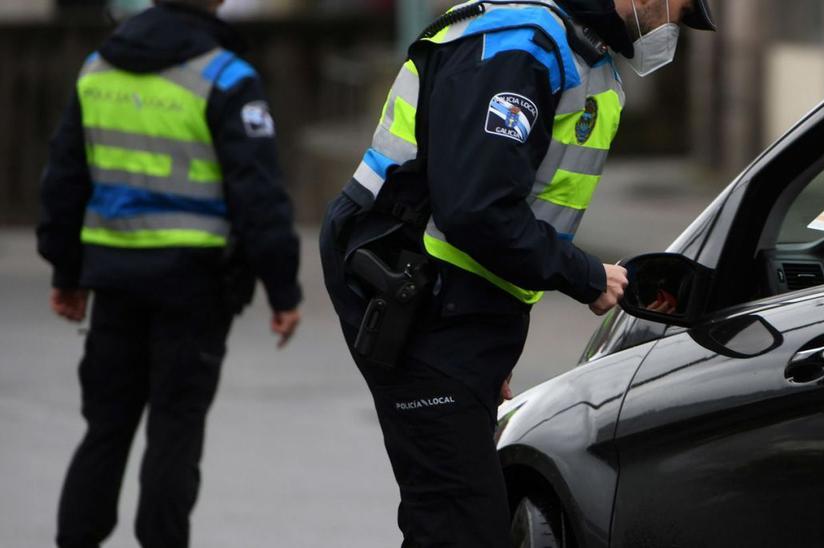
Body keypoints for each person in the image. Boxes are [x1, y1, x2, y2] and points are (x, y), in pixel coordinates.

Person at [318, 0, 714, 545]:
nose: (671, 28)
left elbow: (522, 212)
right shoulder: (522, 48)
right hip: (410, 291)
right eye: (678, 11)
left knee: (458, 517)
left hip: (456, 306)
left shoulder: (582, 54)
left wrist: (489, 345)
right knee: (460, 523)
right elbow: (476, 209)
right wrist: (585, 276)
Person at [36, 1, 302, 546]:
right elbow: (260, 195)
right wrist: (283, 290)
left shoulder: (97, 68)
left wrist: (67, 272)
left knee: (105, 430)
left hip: (113, 280)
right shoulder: (225, 75)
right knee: (174, 434)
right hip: (195, 285)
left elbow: (63, 179)